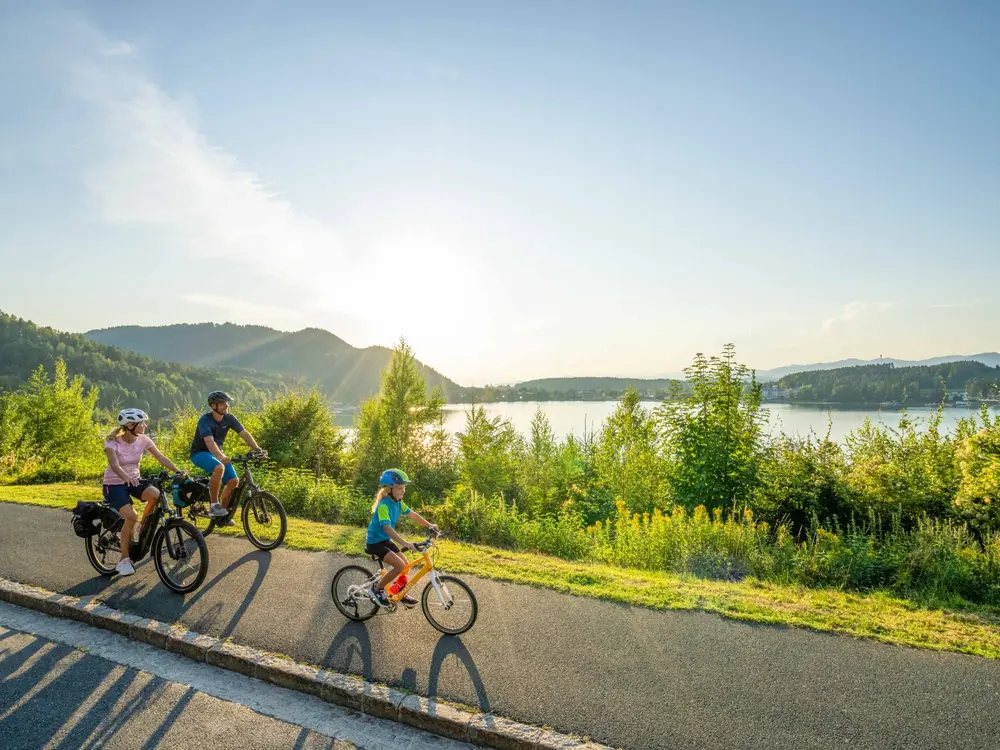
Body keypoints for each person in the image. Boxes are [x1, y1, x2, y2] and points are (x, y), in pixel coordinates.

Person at [103, 408, 184, 576]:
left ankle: (141, 527)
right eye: (142, 423)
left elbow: (161, 458)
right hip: (114, 484)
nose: (145, 426)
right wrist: (126, 477)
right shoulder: (112, 442)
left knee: (155, 495)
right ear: (131, 425)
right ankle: (124, 560)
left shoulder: (144, 440)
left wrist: (177, 471)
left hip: (134, 481)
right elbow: (115, 465)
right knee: (131, 516)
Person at [365, 468, 439, 608]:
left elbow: (414, 515)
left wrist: (430, 526)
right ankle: (377, 589)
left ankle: (397, 590)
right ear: (388, 489)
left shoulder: (398, 503)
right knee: (399, 565)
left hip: (384, 540)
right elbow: (387, 528)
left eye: (404, 487)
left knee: (405, 565)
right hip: (374, 543)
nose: (403, 491)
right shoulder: (383, 506)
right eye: (399, 488)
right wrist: (405, 542)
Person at [189, 391, 265, 521]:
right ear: (214, 406)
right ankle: (214, 505)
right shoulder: (204, 420)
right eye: (223, 403)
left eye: (227, 403)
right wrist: (220, 456)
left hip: (217, 453)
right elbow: (209, 442)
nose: (226, 405)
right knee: (219, 467)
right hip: (200, 453)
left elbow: (244, 434)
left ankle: (222, 513)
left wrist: (257, 449)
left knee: (233, 481)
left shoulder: (229, 418)